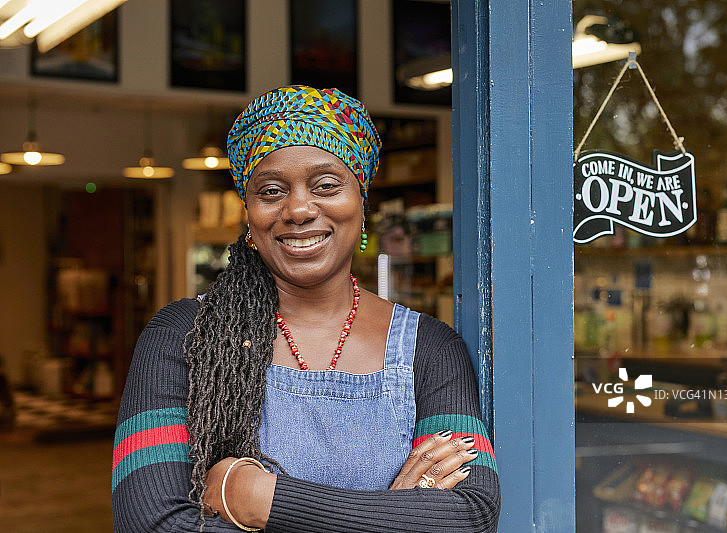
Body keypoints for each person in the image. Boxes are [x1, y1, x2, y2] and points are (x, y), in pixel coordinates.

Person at [112, 85, 500, 532]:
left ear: (361, 199)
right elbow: (150, 524)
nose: (298, 209)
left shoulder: (430, 349)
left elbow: (471, 515)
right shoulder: (181, 335)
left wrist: (259, 498)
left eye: (326, 185)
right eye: (271, 190)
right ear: (249, 212)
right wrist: (395, 515)